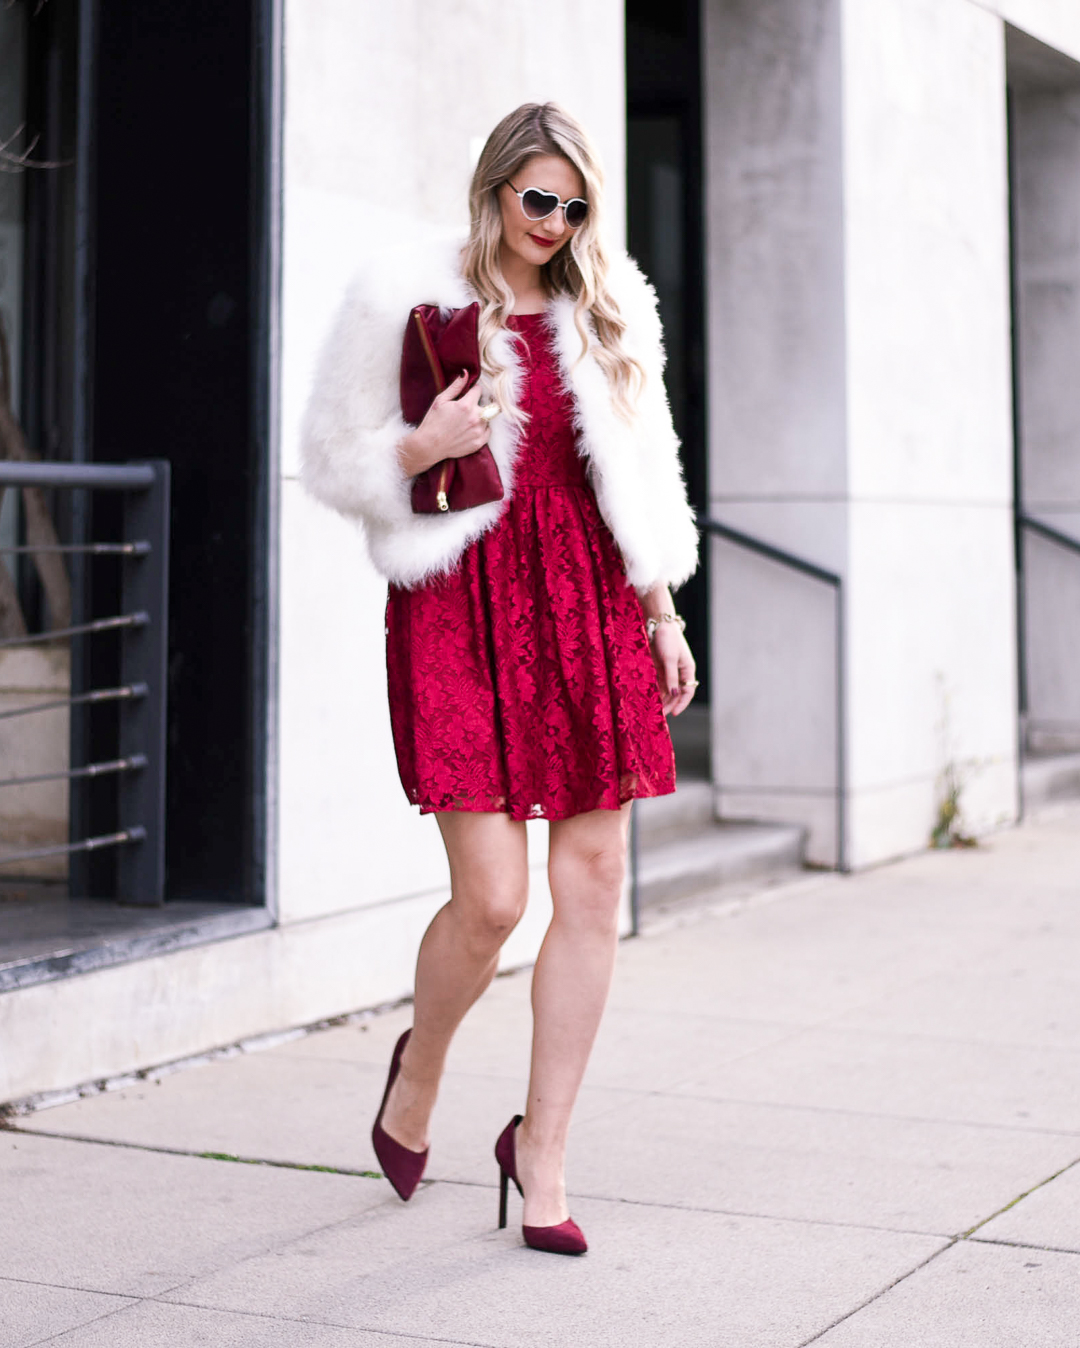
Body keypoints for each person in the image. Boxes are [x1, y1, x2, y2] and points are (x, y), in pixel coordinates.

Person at [301, 102, 698, 1256]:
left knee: (594, 877)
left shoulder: (608, 301)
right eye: (540, 200)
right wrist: (418, 448)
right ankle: (418, 1071)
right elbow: (333, 456)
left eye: (575, 205)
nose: (557, 223)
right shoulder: (405, 294)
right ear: (494, 188)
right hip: (461, 601)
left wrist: (663, 608)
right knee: (492, 899)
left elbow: (646, 462)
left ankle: (544, 1151)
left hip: (589, 603)